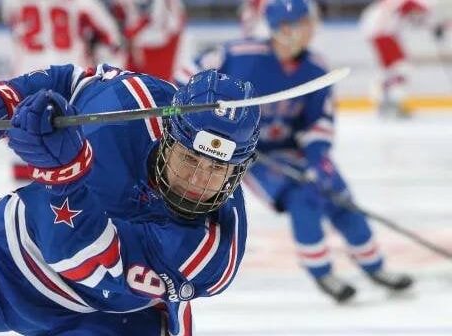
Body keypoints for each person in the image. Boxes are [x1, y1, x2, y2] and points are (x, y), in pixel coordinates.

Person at [0, 64, 261, 334]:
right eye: (190, 159)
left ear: (240, 170)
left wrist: (65, 175)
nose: (197, 180)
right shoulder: (134, 99)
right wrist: (3, 99)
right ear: (169, 136)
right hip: (4, 249)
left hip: (108, 318)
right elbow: (71, 83)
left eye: (217, 170)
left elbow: (88, 268)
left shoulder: (213, 248)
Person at [175, 0, 414, 303]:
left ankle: (374, 265)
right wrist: (207, 118)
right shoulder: (239, 56)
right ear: (283, 28)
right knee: (301, 199)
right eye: (304, 22)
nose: (312, 28)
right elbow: (185, 77)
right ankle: (321, 271)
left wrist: (318, 159)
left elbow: (319, 122)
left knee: (339, 197)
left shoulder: (316, 67)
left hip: (295, 150)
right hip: (251, 157)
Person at [0, 0, 125, 182]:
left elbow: (12, 25)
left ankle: (29, 199)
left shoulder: (14, 3)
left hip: (26, 75)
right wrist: (98, 58)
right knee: (78, 140)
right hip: (68, 77)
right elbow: (112, 41)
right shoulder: (84, 5)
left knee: (23, 137)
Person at [360, 0, 452, 117]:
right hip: (382, 31)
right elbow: (419, 13)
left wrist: (435, 25)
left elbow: (415, 15)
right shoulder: (415, 3)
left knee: (394, 70)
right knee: (402, 68)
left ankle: (386, 100)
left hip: (381, 30)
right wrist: (436, 25)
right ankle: (386, 98)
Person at [110, 0, 186, 81]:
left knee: (158, 85)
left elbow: (172, 27)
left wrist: (134, 36)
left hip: (157, 48)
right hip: (134, 46)